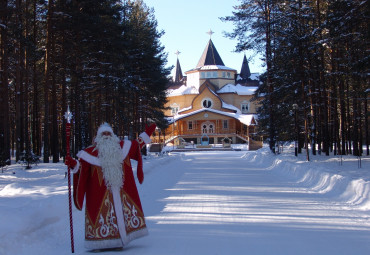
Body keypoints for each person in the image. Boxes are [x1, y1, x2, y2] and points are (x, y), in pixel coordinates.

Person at [65, 122, 156, 251]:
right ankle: (98, 243)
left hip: (120, 191)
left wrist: (147, 134)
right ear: (98, 137)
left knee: (121, 212)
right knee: (100, 214)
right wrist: (73, 164)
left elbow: (136, 145)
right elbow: (82, 171)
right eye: (103, 133)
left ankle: (119, 241)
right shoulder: (88, 153)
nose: (106, 136)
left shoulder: (122, 147)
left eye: (108, 133)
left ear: (113, 135)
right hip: (98, 194)